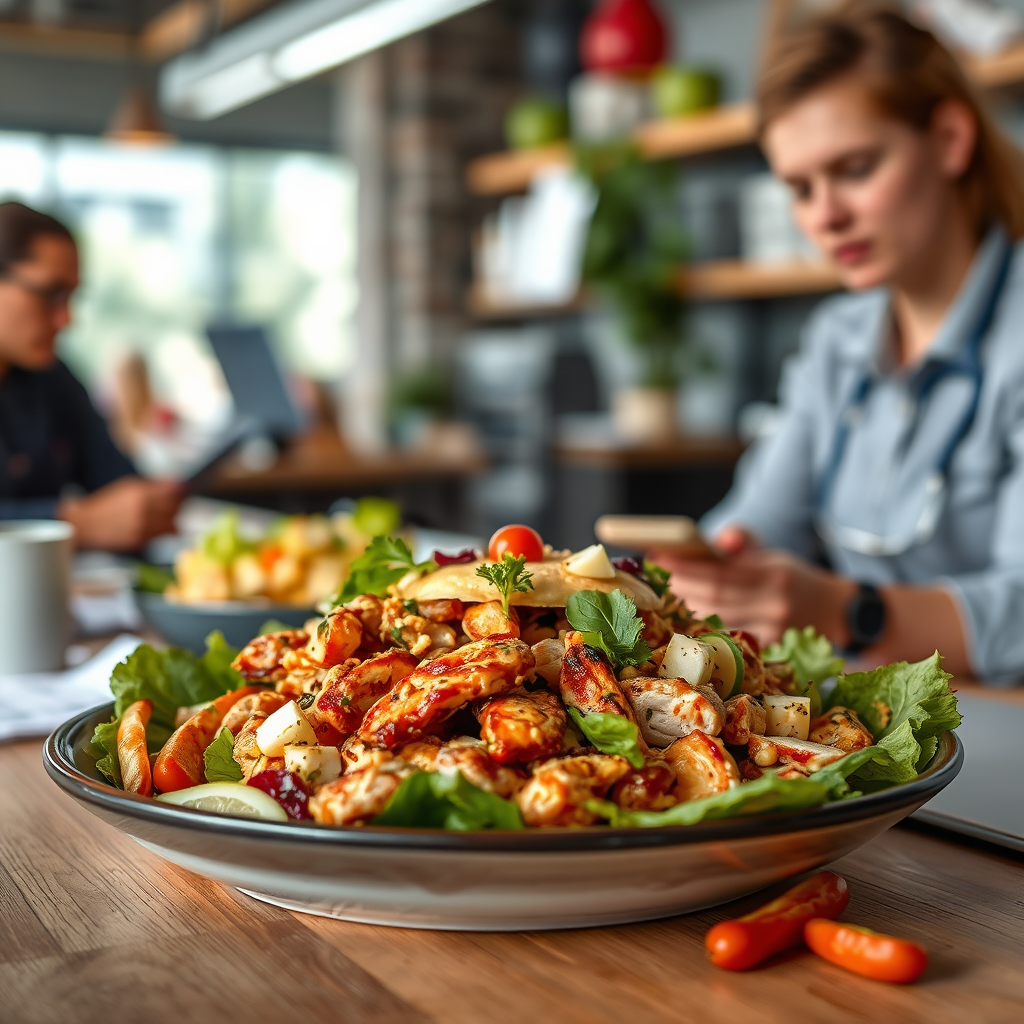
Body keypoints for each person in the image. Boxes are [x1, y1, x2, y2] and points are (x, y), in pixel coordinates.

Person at [658, 5, 1024, 682]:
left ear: (948, 138)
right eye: (799, 188)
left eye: (854, 169)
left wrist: (846, 610)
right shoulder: (838, 338)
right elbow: (757, 522)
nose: (824, 217)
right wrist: (715, 567)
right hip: (881, 718)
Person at [0, 201, 181, 551]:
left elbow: (115, 477)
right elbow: (91, 519)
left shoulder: (52, 377)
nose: (66, 319)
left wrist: (147, 504)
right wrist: (78, 524)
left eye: (71, 297)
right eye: (50, 294)